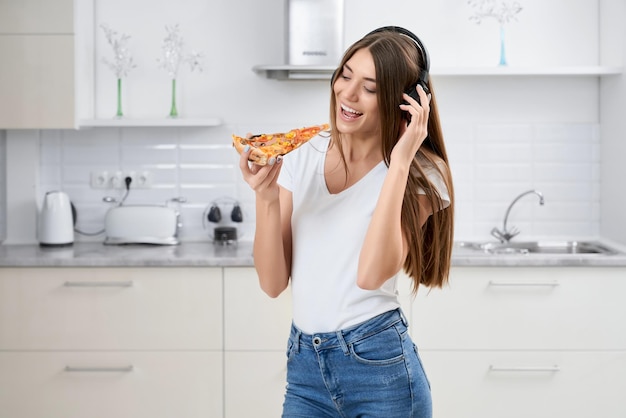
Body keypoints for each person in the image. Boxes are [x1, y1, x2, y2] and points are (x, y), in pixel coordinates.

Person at [239, 26, 454, 418]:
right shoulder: (303, 152)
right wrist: (266, 197)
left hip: (380, 371)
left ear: (405, 101)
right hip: (305, 368)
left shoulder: (423, 172)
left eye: (370, 87)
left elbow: (372, 275)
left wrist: (401, 161)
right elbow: (272, 284)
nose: (348, 94)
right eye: (345, 74)